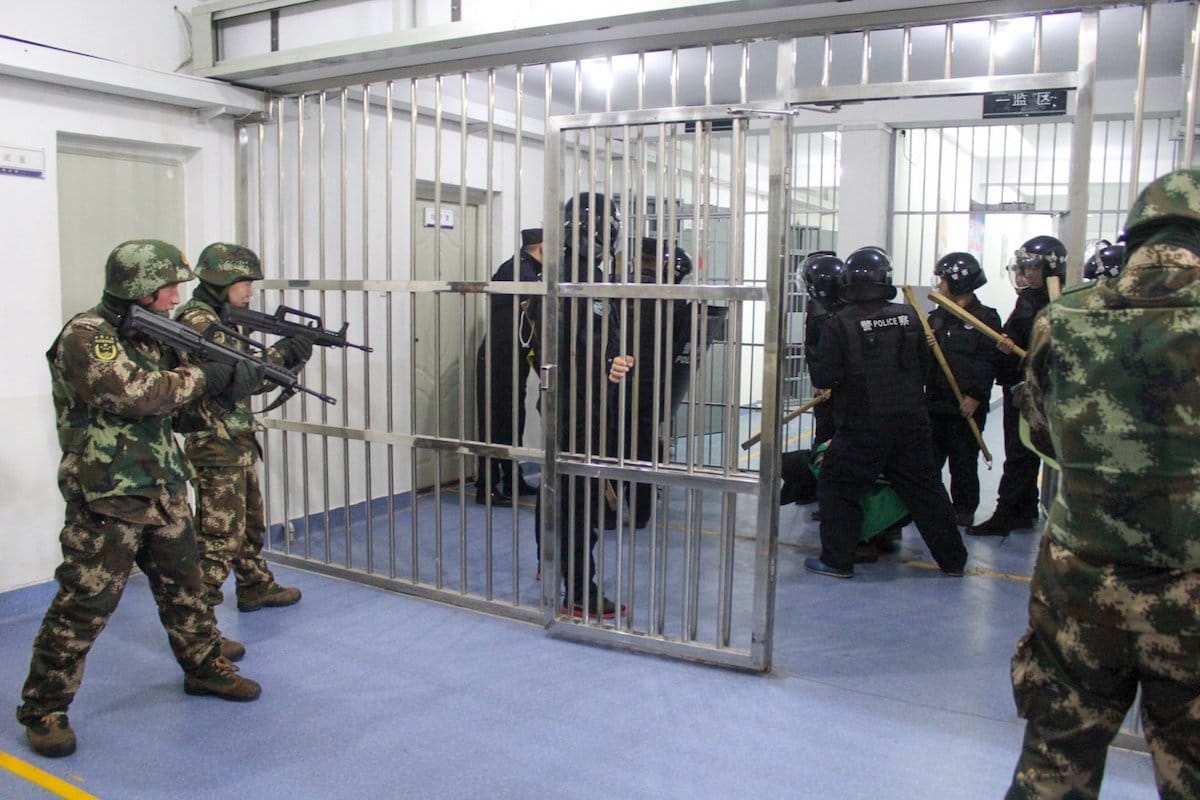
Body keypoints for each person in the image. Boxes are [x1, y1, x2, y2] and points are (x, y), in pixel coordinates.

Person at [17, 240, 263, 759]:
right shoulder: (88, 337)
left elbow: (181, 392)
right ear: (138, 288)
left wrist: (235, 366)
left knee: (187, 589)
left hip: (163, 485)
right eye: (168, 286)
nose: (177, 295)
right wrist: (204, 375)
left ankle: (203, 667)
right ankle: (44, 708)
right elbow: (139, 395)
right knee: (85, 604)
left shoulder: (150, 332)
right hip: (110, 495)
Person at [1005, 169, 1200, 799]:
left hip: (1080, 579)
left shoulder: (1062, 320)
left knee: (1054, 766)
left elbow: (1041, 435)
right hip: (1192, 593)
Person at [803, 246, 967, 578]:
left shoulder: (840, 323)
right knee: (927, 491)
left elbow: (823, 377)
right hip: (911, 421)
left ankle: (837, 560)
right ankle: (953, 561)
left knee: (836, 486)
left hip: (863, 425)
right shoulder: (909, 315)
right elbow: (925, 365)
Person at [175, 243, 310, 625]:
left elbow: (249, 382)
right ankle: (197, 628)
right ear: (223, 280)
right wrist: (283, 354)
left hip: (235, 437)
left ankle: (254, 585)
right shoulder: (200, 322)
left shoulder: (225, 317)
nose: (250, 291)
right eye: (245, 282)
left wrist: (290, 357)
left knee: (249, 524)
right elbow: (243, 374)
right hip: (213, 441)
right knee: (219, 539)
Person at [530, 192, 634, 617]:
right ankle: (578, 591)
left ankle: (550, 563)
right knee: (578, 495)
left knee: (557, 486)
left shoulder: (575, 274)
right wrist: (604, 367)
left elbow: (587, 345)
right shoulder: (575, 280)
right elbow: (570, 347)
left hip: (568, 400)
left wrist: (614, 360)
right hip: (578, 405)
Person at [968, 235, 1065, 537]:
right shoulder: (1029, 300)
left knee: (1021, 454)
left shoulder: (1058, 304)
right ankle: (1024, 509)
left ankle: (1004, 515)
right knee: (1021, 451)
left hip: (1034, 392)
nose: (1026, 275)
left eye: (1032, 269)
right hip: (1017, 388)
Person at [925, 252, 1002, 528]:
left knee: (963, 461)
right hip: (935, 402)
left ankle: (963, 509)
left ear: (958, 283)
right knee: (928, 461)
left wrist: (977, 396)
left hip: (965, 405)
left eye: (943, 280)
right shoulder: (936, 318)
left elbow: (988, 360)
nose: (939, 285)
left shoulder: (986, 319)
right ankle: (928, 508)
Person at [623, 237, 693, 528]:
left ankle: (607, 509)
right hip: (653, 383)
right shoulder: (674, 299)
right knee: (643, 446)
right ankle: (641, 513)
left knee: (608, 447)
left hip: (616, 378)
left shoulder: (615, 288)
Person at [475, 228, 544, 507]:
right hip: (497, 359)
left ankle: (512, 479)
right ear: (540, 248)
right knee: (494, 425)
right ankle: (487, 488)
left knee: (512, 421)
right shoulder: (520, 272)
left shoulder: (526, 268)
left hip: (512, 358)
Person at [799, 251, 845, 447]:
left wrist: (827, 383)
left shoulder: (824, 316)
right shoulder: (823, 309)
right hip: (831, 390)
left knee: (829, 440)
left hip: (836, 393)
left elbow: (822, 353)